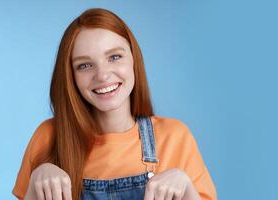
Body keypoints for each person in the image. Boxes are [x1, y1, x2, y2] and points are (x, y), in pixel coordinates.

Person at [12, 8, 218, 200]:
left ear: (133, 60)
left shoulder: (175, 137)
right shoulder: (48, 137)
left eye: (114, 57)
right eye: (84, 65)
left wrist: (187, 187)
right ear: (70, 76)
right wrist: (34, 184)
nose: (102, 75)